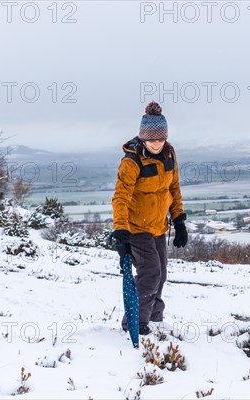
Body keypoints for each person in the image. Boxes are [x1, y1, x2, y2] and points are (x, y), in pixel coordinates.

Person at [111, 101, 188, 335]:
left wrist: (179, 220)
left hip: (158, 226)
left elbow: (173, 188)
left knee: (161, 274)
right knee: (151, 273)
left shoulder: (169, 154)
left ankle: (155, 318)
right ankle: (135, 321)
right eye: (152, 140)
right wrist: (120, 228)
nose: (156, 144)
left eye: (160, 139)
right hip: (136, 228)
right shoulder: (132, 161)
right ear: (143, 138)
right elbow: (121, 197)